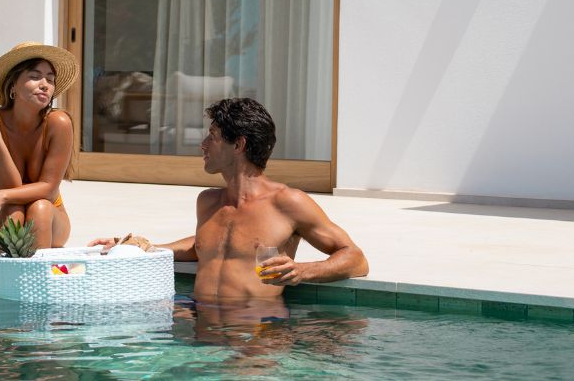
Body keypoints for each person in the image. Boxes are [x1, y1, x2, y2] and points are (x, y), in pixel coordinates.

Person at [91, 98, 367, 299]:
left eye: (212, 136)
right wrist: (145, 248)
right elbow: (210, 245)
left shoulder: (287, 203)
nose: (202, 145)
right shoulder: (208, 202)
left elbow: (356, 259)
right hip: (201, 331)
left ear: (238, 144)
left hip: (254, 337)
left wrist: (303, 271)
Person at [0, 42, 78, 254]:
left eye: (50, 80)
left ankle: (38, 275)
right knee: (12, 210)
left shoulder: (59, 123)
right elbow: (8, 184)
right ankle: (4, 274)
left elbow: (49, 190)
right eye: (35, 76)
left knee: (39, 208)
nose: (45, 85)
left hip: (47, 215)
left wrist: (0, 196)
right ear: (13, 84)